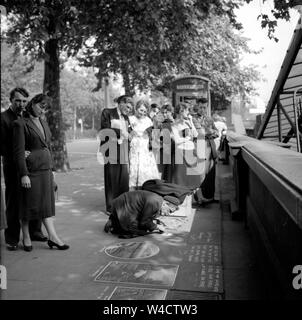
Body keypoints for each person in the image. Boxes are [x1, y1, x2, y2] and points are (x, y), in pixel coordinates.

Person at [13, 93, 69, 251]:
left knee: (45, 205)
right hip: (30, 171)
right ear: (33, 103)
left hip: (45, 169)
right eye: (41, 107)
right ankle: (26, 236)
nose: (42, 111)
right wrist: (24, 173)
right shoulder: (20, 124)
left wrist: (52, 170)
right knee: (27, 205)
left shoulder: (44, 123)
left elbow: (47, 147)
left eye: (46, 109)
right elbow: (19, 152)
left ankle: (53, 237)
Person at [1, 88, 47, 251]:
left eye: (24, 101)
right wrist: (17, 153)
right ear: (11, 100)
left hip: (31, 166)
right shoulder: (3, 118)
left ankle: (35, 231)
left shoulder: (28, 117)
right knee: (13, 202)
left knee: (34, 198)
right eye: (18, 101)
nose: (21, 104)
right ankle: (12, 238)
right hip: (12, 167)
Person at [99, 95, 133, 214]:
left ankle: (122, 205)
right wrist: (121, 132)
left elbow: (129, 132)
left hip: (123, 149)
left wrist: (130, 134)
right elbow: (105, 129)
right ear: (121, 103)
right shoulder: (107, 112)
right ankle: (110, 207)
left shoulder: (126, 117)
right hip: (111, 149)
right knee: (111, 178)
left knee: (123, 179)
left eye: (130, 109)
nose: (128, 110)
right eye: (127, 107)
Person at [104, 190, 179, 238]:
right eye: (169, 211)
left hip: (124, 205)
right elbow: (144, 221)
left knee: (145, 227)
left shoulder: (158, 201)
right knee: (135, 231)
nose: (168, 214)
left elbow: (147, 216)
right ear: (165, 204)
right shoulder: (154, 203)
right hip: (122, 207)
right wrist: (156, 227)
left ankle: (116, 219)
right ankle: (114, 223)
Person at [192, 98, 219, 205]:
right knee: (200, 173)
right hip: (199, 147)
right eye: (201, 107)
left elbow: (217, 133)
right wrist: (208, 132)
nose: (203, 109)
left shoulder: (209, 119)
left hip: (210, 148)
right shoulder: (193, 119)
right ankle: (199, 197)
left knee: (210, 173)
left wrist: (209, 132)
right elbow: (200, 133)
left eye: (205, 107)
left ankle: (209, 196)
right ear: (197, 107)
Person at [128, 100, 160, 189]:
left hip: (145, 148)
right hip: (134, 148)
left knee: (145, 170)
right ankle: (133, 190)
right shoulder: (130, 119)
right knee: (134, 170)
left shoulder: (148, 120)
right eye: (141, 110)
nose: (142, 113)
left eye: (145, 111)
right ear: (136, 108)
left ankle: (144, 188)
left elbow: (153, 136)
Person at [170, 103, 201, 188]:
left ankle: (195, 198)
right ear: (181, 111)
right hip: (181, 152)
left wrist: (191, 122)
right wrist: (187, 138)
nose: (188, 112)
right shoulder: (174, 125)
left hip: (191, 151)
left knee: (193, 177)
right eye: (187, 110)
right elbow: (176, 140)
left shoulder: (188, 123)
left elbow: (195, 135)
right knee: (181, 178)